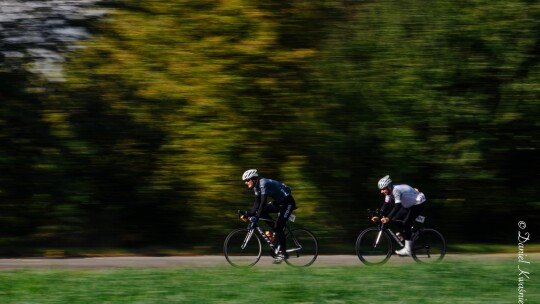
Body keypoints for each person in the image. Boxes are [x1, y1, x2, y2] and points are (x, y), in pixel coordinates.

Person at [240, 169, 297, 263]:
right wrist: (248, 214)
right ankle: (276, 235)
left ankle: (284, 254)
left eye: (247, 180)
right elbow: (257, 203)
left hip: (288, 203)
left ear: (253, 179)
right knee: (262, 213)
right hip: (279, 203)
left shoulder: (263, 183)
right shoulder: (256, 187)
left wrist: (256, 217)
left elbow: (263, 202)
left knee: (278, 227)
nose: (246, 183)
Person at [371, 175, 426, 256]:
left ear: (389, 187)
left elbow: (397, 206)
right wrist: (378, 216)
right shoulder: (388, 193)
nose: (381, 191)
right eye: (381, 190)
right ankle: (411, 233)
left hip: (418, 202)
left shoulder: (396, 190)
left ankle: (408, 250)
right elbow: (386, 205)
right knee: (394, 220)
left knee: (406, 223)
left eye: (383, 189)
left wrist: (388, 218)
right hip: (408, 205)